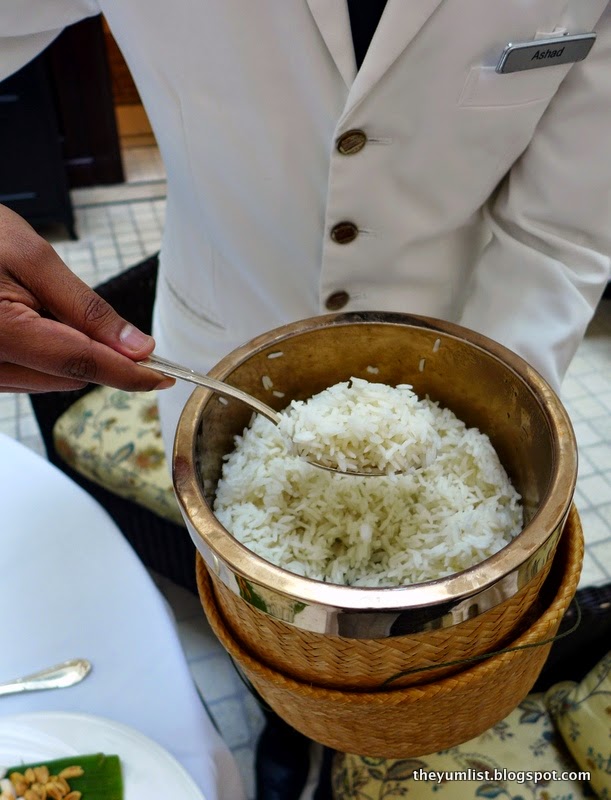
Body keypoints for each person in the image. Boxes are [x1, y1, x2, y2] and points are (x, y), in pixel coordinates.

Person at [1, 2, 610, 798]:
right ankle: (288, 730)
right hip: (220, 349)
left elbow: (563, 228)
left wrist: (487, 403)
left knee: (424, 654)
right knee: (263, 628)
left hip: (463, 373)